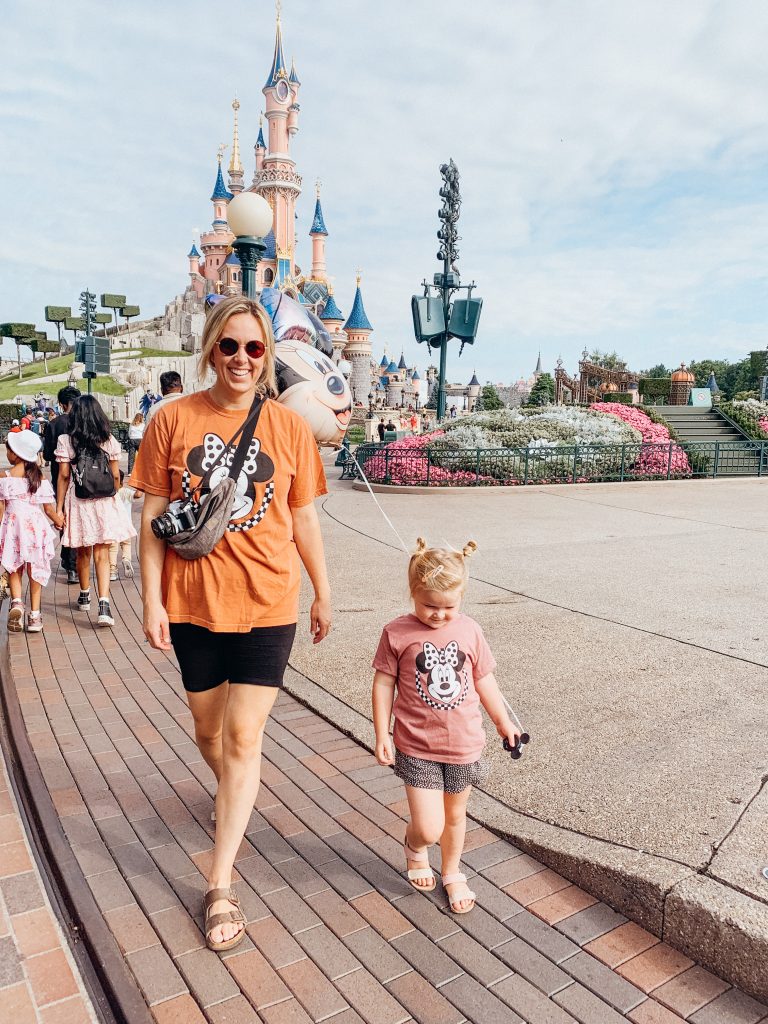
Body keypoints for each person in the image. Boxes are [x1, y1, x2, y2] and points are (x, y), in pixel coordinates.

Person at [130, 295, 331, 953]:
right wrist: (151, 601)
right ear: (210, 349)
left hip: (269, 603)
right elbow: (154, 516)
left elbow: (303, 518)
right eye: (229, 346)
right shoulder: (174, 419)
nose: (242, 359)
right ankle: (233, 794)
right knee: (208, 731)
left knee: (246, 739)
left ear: (266, 354)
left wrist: (324, 593)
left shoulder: (291, 428)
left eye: (254, 348)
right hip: (193, 605)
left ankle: (220, 881)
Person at [372, 538, 520, 914]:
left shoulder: (470, 631)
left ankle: (453, 872)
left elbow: (485, 680)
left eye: (448, 607)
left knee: (455, 816)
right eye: (429, 605)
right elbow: (383, 684)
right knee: (429, 825)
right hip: (417, 745)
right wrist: (380, 734)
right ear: (413, 594)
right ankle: (415, 844)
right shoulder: (397, 633)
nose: (438, 615)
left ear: (462, 598)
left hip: (463, 745)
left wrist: (504, 723)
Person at [55, 395, 136, 628]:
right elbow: (116, 475)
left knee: (83, 552)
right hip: (103, 500)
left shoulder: (66, 440)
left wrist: (59, 508)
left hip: (79, 501)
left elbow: (63, 476)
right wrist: (115, 494)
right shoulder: (108, 439)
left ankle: (84, 593)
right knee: (102, 553)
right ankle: (104, 605)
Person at [0, 430, 63, 633]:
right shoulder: (39, 477)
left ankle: (17, 603)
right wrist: (59, 521)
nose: (7, 452)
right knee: (34, 569)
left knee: (14, 567)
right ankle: (35, 616)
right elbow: (48, 509)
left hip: (13, 526)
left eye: (9, 448)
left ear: (16, 453)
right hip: (35, 528)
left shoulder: (5, 476)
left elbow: (1, 508)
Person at [43, 386, 81, 584]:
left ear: (62, 404)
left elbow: (48, 454)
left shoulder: (55, 424)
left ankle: (71, 563)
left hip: (61, 480)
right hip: (85, 481)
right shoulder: (85, 422)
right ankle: (74, 563)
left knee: (64, 519)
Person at [109, 471, 140, 581]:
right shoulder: (126, 492)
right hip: (126, 525)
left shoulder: (110, 494)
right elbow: (138, 495)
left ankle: (112, 571)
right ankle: (126, 559)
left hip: (113, 526)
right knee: (126, 544)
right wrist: (140, 484)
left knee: (113, 547)